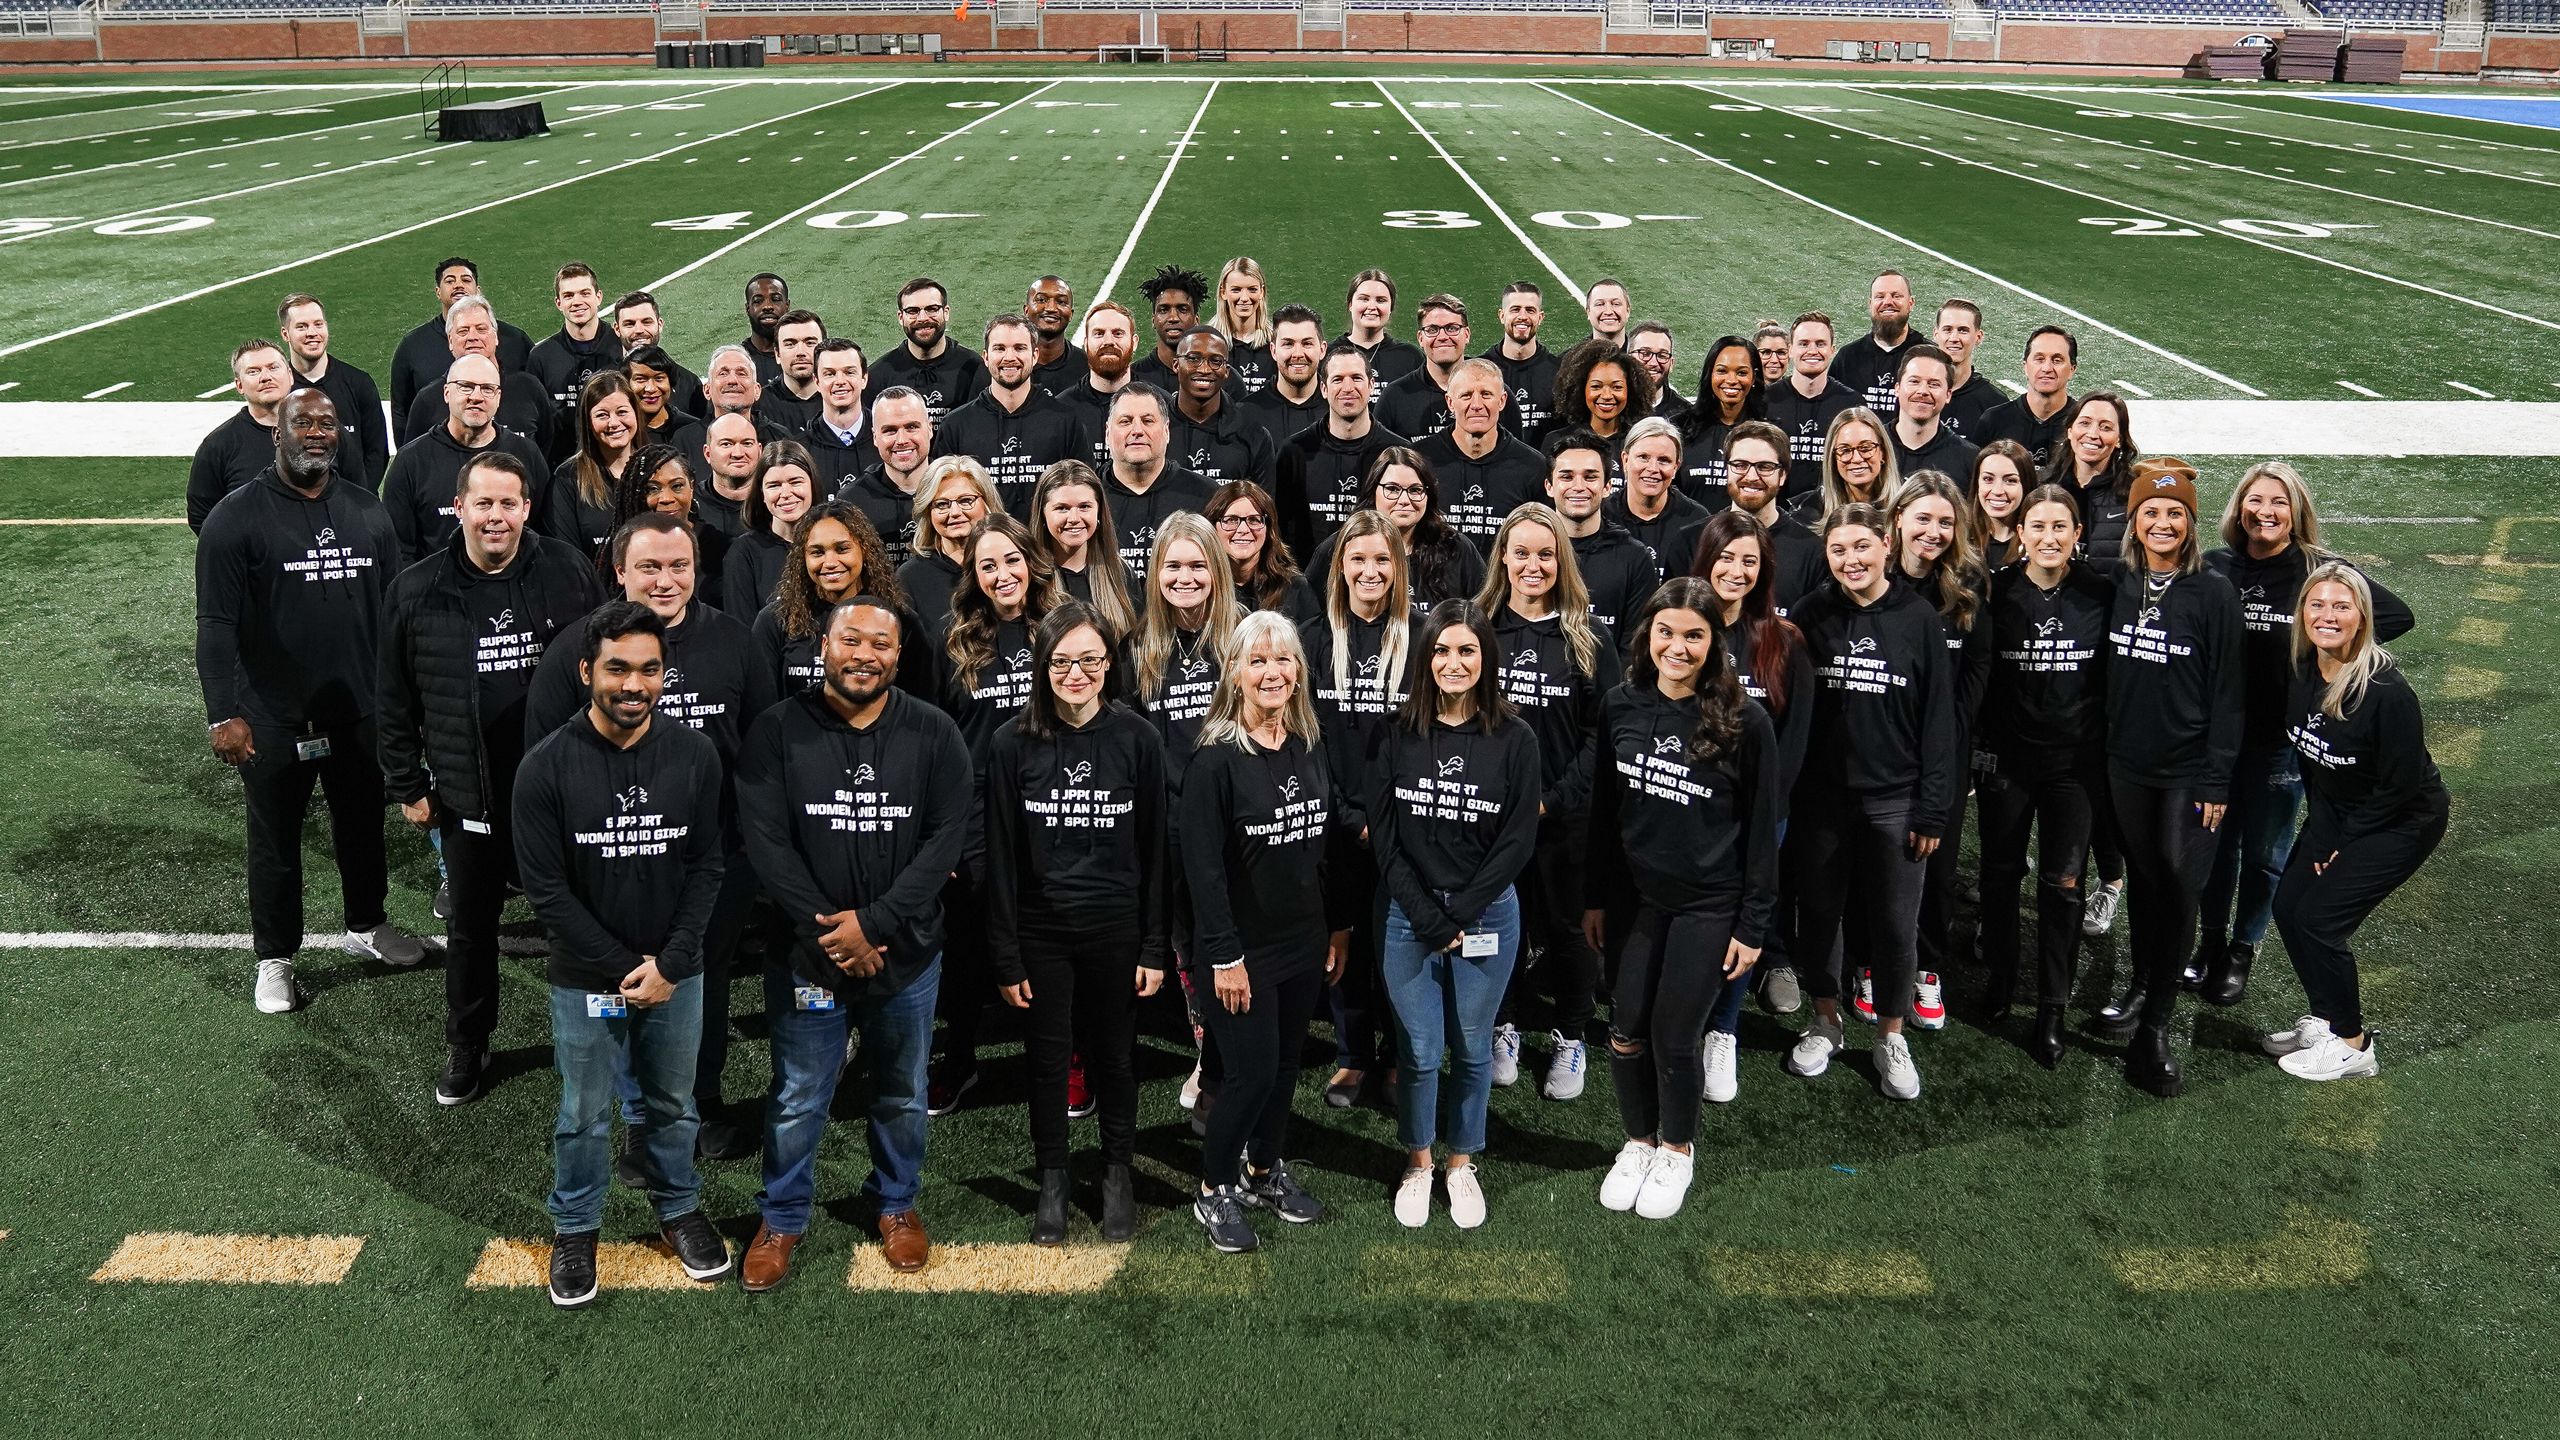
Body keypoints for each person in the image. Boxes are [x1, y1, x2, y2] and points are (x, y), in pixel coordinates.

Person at [736, 596, 970, 1288]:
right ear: (823, 649)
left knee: (901, 1090)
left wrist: (876, 924)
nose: (864, 654)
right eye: (851, 640)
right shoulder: (776, 730)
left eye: (880, 644)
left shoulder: (934, 733)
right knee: (799, 1092)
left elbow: (944, 842)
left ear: (898, 657)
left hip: (907, 953)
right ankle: (781, 1216)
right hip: (808, 955)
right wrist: (837, 934)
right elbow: (766, 844)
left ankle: (895, 1203)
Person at [525, 513, 774, 1163]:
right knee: (625, 986)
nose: (666, 580)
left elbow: (764, 751)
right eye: (650, 567)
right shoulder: (574, 652)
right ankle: (642, 1118)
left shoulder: (734, 641)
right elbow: (544, 762)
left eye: (679, 565)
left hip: (713, 862)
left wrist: (751, 845)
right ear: (619, 570)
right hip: (612, 863)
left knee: (702, 980)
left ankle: (703, 1098)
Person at [512, 601, 731, 1307]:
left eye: (648, 669)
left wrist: (671, 963)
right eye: (617, 669)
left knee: (673, 1103)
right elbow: (546, 892)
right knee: (584, 1111)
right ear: (586, 672)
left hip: (677, 973)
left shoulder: (695, 754)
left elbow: (707, 866)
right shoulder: (544, 768)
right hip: (587, 977)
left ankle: (677, 1208)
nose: (633, 684)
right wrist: (623, 967)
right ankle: (576, 1227)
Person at [378, 451, 604, 1105]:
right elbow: (393, 697)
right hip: (467, 794)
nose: (497, 515)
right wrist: (406, 785)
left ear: (527, 507)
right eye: (484, 503)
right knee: (471, 928)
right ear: (460, 508)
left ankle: (590, 1042)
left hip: (560, 794)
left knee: (577, 923)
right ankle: (468, 1043)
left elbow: (603, 670)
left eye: (509, 503)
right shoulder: (416, 589)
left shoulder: (566, 570)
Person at [196, 386, 419, 1015]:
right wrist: (223, 712)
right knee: (275, 842)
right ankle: (274, 958)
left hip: (358, 712)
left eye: (327, 422)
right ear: (278, 433)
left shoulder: (366, 510)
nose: (317, 432)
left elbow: (392, 612)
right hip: (269, 718)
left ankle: (367, 924)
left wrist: (401, 699)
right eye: (304, 423)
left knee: (361, 827)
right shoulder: (234, 518)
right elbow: (214, 625)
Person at [1587, 578, 1780, 1220]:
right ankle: (1638, 1141)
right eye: (1666, 631)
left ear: (1714, 642)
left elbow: (1761, 835)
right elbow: (1602, 814)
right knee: (1624, 1027)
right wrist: (1594, 897)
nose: (1678, 646)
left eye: (1694, 635)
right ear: (1648, 634)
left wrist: (1752, 925)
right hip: (1638, 899)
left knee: (1675, 1034)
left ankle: (1677, 1148)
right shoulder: (1620, 703)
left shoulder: (1746, 721)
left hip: (1710, 903)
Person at [985, 602, 1170, 1243]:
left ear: (1108, 665)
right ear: (1043, 667)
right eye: (1062, 662)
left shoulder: (1138, 739)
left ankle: (1117, 1172)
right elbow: (1002, 857)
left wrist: (1154, 944)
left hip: (1117, 928)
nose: (1076, 673)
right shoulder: (1011, 743)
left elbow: (1158, 852)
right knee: (1046, 1060)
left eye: (1090, 660)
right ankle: (1055, 1179)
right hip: (1041, 933)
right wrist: (1006, 954)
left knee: (1116, 1058)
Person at [2199, 461, 2415, 1006]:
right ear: (2239, 508)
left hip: (2281, 744)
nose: (2265, 512)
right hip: (2216, 741)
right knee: (2214, 850)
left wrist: (2338, 648)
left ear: (2297, 512)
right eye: (2255, 500)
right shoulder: (2214, 565)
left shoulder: (2317, 570)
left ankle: (2242, 951)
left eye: (2278, 502)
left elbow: (2395, 615)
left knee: (2266, 854)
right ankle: (2209, 946)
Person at [1180, 611, 1350, 1254]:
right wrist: (1224, 957)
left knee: (1282, 1072)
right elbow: (1203, 873)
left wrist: (1335, 930)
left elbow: (1322, 851)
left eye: (1283, 661)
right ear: (1235, 674)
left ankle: (1261, 1171)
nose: (1272, 672)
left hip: (1302, 944)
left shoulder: (1309, 742)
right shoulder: (1214, 762)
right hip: (1240, 954)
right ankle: (1215, 1188)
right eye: (1258, 661)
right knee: (1249, 1076)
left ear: (1299, 672)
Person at [1371, 600, 1540, 1230]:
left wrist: (1462, 913)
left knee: (1472, 1049)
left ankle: (1461, 1161)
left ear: (1486, 659)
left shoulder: (1516, 738)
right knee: (1417, 1050)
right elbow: (1384, 839)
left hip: (1487, 918)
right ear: (1425, 658)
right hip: (1406, 917)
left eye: (1467, 650)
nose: (1453, 662)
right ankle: (1418, 1162)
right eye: (1441, 650)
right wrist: (1429, 918)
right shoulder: (1396, 731)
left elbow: (1518, 841)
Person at [1783, 503, 1960, 1102]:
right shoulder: (1809, 615)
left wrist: (1933, 807)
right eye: (1838, 551)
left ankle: (1890, 1033)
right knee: (1821, 915)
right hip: (1822, 801)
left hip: (1897, 801)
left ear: (1887, 545)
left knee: (1894, 925)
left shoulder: (1919, 618)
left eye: (1861, 547)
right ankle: (1825, 1020)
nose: (1850, 560)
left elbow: (1940, 721)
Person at [2262, 563, 2448, 1082]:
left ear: (2363, 618)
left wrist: (2342, 842)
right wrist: (2324, 831)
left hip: (2402, 820)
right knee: (2288, 906)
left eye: (2342, 605)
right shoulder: (2300, 669)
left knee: (2321, 922)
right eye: (2316, 604)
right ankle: (2324, 1019)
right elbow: (2314, 765)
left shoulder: (2385, 692)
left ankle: (2352, 1043)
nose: (2327, 615)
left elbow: (2400, 786)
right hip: (2338, 811)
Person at [2097, 458, 2243, 1096]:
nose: (2163, 522)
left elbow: (2230, 693)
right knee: (2148, 878)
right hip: (2125, 763)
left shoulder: (2213, 592)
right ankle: (2139, 981)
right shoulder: (2119, 580)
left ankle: (2155, 1026)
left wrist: (2216, 779)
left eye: (2175, 513)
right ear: (2134, 519)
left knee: (2179, 884)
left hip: (2188, 771)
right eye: (2151, 512)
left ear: (2190, 523)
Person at [1478, 503, 1621, 1102]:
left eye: (1545, 554)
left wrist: (1553, 798)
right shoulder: (1478, 628)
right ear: (1503, 558)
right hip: (1491, 817)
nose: (1532, 565)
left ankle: (1570, 1035)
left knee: (1569, 929)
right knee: (1500, 923)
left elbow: (1603, 734)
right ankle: (1503, 1024)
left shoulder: (1588, 637)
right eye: (1522, 552)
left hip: (1567, 819)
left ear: (1562, 562)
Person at [927, 511, 1066, 1115]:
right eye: (988, 564)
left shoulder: (1063, 630)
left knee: (1054, 941)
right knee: (967, 948)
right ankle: (959, 1060)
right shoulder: (954, 640)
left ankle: (1068, 1059)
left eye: (1012, 559)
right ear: (973, 575)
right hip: (978, 814)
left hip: (1054, 805)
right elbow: (939, 740)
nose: (1002, 573)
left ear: (1031, 563)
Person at [1976, 484, 2113, 1067]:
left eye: (2061, 527)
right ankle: (2001, 981)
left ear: (2077, 534)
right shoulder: (1996, 592)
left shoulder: (2102, 594)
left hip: (2074, 769)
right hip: (2009, 764)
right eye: (2038, 526)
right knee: (2001, 875)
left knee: (2063, 886)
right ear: (2022, 533)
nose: (2049, 537)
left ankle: (2052, 1007)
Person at [1300, 509, 1417, 1108]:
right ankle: (1352, 1056)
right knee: (1340, 943)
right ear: (1339, 567)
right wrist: (1347, 814)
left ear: (1398, 567)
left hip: (1406, 828)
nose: (1370, 571)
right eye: (1358, 559)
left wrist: (1391, 819)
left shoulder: (1422, 638)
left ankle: (1400, 1055)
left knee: (1398, 945)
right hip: (1334, 822)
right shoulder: (1314, 639)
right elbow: (1302, 739)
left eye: (1381, 560)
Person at [1691, 507, 1815, 1066]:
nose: (1736, 570)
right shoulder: (1679, 628)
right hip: (1686, 806)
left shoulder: (1783, 641)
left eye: (1750, 560)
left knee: (1743, 924)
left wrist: (1760, 811)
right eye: (1725, 557)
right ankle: (1678, 1016)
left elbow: (1792, 743)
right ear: (1705, 560)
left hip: (1758, 816)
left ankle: (1723, 1029)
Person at [1888, 471, 1992, 1031]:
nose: (1933, 530)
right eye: (1923, 518)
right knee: (1878, 861)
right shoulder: (1873, 578)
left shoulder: (1967, 587)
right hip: (1882, 747)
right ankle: (1873, 963)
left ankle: (1926, 968)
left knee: (1938, 862)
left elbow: (1977, 670)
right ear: (1898, 519)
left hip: (1942, 752)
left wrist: (1945, 735)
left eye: (1945, 522)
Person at [750, 501, 936, 702]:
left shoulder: (900, 620)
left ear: (865, 550)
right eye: (817, 552)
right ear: (802, 558)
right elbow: (761, 704)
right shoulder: (775, 620)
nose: (829, 563)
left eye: (842, 549)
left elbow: (920, 701)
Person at [379, 354, 553, 564]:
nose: (476, 396)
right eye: (465, 386)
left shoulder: (527, 453)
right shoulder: (410, 462)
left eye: (487, 389)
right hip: (439, 591)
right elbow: (398, 552)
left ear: (498, 398)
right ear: (446, 393)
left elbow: (546, 536)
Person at [938, 314, 1088, 516]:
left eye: (1019, 348)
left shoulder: (1066, 421)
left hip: (1045, 546)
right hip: (981, 545)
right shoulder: (955, 426)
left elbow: (1084, 493)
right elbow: (942, 500)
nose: (1009, 357)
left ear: (1035, 355)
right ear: (986, 356)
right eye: (1000, 348)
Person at [1309, 450, 1485, 614]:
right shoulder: (1339, 548)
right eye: (1392, 489)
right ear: (1373, 492)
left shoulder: (1456, 548)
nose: (1404, 500)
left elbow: (1484, 612)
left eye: (1415, 490)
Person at [1273, 343, 1403, 558]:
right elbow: (1279, 529)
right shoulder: (1293, 452)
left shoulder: (1398, 453)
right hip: (1309, 583)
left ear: (1372, 385)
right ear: (1324, 389)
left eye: (1357, 378)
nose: (1348, 388)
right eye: (1338, 379)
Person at [1417, 357, 1545, 557]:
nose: (1476, 405)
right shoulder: (1418, 461)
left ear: (1502, 401)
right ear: (1450, 402)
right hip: (1434, 584)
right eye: (1466, 395)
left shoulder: (1533, 467)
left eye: (1486, 394)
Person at [398, 295, 556, 455]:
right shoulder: (428, 400)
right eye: (463, 331)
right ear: (450, 341)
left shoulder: (529, 388)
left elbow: (547, 449)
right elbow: (413, 461)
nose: (473, 337)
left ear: (495, 337)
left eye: (481, 329)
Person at [389, 255, 534, 422]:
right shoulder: (412, 345)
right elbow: (400, 409)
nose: (458, 285)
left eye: (466, 280)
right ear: (438, 292)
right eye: (450, 281)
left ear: (478, 290)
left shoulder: (515, 339)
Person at [1100, 384, 1216, 588]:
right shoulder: (1086, 499)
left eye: (1147, 421)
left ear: (1166, 431)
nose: (1137, 431)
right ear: (1108, 433)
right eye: (1125, 421)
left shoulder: (1208, 496)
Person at [1543, 429, 1654, 640]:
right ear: (1549, 486)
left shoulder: (1634, 558)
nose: (1578, 487)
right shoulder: (1530, 553)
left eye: (1590, 477)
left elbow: (1634, 649)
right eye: (1566, 477)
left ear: (1607, 487)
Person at [279, 293, 389, 490]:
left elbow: (377, 452)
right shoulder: (280, 391)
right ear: (285, 334)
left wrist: (361, 498)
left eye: (318, 324)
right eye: (302, 326)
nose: (312, 332)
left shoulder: (358, 383)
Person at [1713, 422, 1826, 614]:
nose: (1751, 476)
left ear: (1782, 475)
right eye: (1740, 465)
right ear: (1726, 470)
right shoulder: (1692, 540)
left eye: (1764, 467)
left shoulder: (1812, 552)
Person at [596, 444, 728, 607]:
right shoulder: (621, 547)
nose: (666, 498)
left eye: (677, 486)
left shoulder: (722, 549)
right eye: (653, 489)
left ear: (692, 487)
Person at [187, 340, 296, 532]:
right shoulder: (218, 445)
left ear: (290, 375)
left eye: (273, 368)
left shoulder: (323, 433)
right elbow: (201, 517)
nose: (265, 377)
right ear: (239, 385)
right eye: (253, 371)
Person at [1030, 459, 1140, 638]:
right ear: (1042, 513)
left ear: (1099, 511)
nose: (1074, 518)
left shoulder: (1121, 573)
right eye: (1062, 508)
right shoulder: (1030, 578)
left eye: (1084, 507)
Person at [894, 456, 1002, 635]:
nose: (954, 513)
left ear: (987, 502)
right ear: (928, 512)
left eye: (966, 501)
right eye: (942, 504)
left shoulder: (1012, 564)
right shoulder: (910, 578)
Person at [528, 262, 624, 458]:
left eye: (585, 293)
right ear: (558, 303)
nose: (577, 301)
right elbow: (536, 420)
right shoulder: (541, 357)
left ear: (599, 297)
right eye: (568, 296)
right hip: (561, 464)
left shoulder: (621, 346)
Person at [543, 371, 640, 560]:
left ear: (636, 413)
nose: (614, 423)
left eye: (622, 412)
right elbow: (568, 557)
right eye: (602, 415)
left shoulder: (658, 468)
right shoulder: (567, 478)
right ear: (588, 422)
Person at [1166, 327, 1277, 488]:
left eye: (1215, 361)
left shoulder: (1254, 435)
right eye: (1193, 358)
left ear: (1226, 371)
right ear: (1176, 365)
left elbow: (1264, 506)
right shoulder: (1155, 430)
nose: (1204, 369)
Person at [1765, 311, 1858, 504]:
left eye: (1820, 344)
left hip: (1831, 515)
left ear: (1832, 349)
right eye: (1804, 343)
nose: (1812, 350)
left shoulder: (1851, 404)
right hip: (1774, 515)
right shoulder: (1765, 401)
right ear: (1790, 350)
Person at [1607, 416, 1710, 585]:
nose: (1653, 469)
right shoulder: (1602, 515)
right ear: (1625, 460)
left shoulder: (1697, 520)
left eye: (1664, 460)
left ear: (1676, 467)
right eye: (1643, 457)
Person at [840, 387, 935, 568]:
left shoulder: (955, 489)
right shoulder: (852, 501)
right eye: (890, 431)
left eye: (911, 427)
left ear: (929, 429)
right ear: (875, 437)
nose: (901, 440)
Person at [866, 276, 986, 419]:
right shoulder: (878, 376)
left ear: (946, 312)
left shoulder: (975, 368)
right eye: (912, 311)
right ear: (900, 317)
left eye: (932, 309)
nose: (922, 318)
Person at [674, 344, 790, 492]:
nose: (733, 381)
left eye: (742, 373)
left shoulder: (780, 438)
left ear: (757, 391)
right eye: (723, 373)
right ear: (707, 390)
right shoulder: (684, 440)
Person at [723, 440, 817, 618]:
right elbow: (741, 628)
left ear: (812, 484)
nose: (786, 493)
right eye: (774, 485)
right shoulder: (744, 552)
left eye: (795, 482)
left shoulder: (832, 543)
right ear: (761, 493)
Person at [1210, 479, 1319, 627]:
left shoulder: (1295, 590)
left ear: (1268, 529)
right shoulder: (1203, 587)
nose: (1243, 529)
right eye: (1231, 520)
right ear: (1213, 527)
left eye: (1254, 520)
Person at [1672, 334, 1765, 503]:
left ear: (1754, 376)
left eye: (1742, 372)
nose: (1731, 380)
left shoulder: (1768, 432)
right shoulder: (1679, 427)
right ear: (1710, 374)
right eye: (1722, 371)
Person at [1977, 325, 2078, 471]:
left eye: (2057, 360)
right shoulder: (1994, 420)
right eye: (2039, 359)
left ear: (2072, 369)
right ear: (2025, 366)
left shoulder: (2082, 425)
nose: (2047, 368)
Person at [1379, 293, 1470, 441]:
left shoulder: (1491, 390)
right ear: (1420, 338)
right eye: (1432, 330)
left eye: (1452, 328)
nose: (1442, 337)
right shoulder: (1394, 397)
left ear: (1466, 334)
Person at [1057, 300, 1139, 460]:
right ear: (1086, 343)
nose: (1108, 341)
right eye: (1099, 333)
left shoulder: (1159, 405)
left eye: (1118, 333)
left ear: (1134, 342)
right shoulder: (1061, 410)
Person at [1830, 269, 1916, 421]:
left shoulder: (1926, 356)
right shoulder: (1848, 358)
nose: (1888, 302)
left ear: (1911, 303)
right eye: (1880, 296)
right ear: (1870, 304)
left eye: (1896, 296)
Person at [1550, 337, 1653, 462]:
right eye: (1596, 386)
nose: (1606, 395)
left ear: (1630, 390)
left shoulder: (1642, 442)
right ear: (1581, 389)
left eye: (1617, 387)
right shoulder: (1557, 440)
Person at [1240, 303, 1328, 446]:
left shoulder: (1339, 408)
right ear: (1273, 351)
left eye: (1307, 344)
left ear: (1322, 349)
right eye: (1288, 344)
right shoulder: (1246, 414)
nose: (1298, 354)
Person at [1889, 345, 1979, 483]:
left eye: (1934, 384)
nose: (1923, 391)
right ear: (1897, 389)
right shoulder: (1872, 446)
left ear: (1948, 395)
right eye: (1914, 381)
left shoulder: (1969, 459)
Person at [611, 290, 707, 419]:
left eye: (646, 322)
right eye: (630, 324)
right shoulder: (605, 381)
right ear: (617, 329)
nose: (639, 330)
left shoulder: (688, 382)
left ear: (659, 324)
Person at [1482, 280, 1558, 440]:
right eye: (1515, 309)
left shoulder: (1558, 370)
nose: (1522, 316)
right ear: (1502, 316)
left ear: (1540, 317)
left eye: (1530, 310)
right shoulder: (1482, 370)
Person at [1798, 406, 1899, 523]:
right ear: (1833, 458)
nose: (1856, 459)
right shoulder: (1808, 514)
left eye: (1865, 448)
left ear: (1883, 453)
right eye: (1845, 450)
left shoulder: (1905, 509)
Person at [799, 339, 876, 492]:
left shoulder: (887, 440)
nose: (840, 381)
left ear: (864, 379)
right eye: (830, 374)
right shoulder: (801, 450)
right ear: (817, 382)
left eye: (849, 372)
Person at [1934, 299, 2007, 442]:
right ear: (1936, 334)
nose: (1954, 338)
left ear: (1978, 337)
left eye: (1963, 330)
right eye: (1947, 329)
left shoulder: (1995, 403)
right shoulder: (1919, 394)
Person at [1338, 268, 1424, 387]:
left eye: (1381, 300)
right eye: (1364, 299)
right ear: (1350, 305)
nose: (1372, 306)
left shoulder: (1410, 357)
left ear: (1391, 308)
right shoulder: (1328, 355)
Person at [1134, 263, 1211, 392]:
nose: (1173, 318)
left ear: (1196, 320)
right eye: (1164, 310)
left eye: (1183, 309)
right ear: (1153, 320)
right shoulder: (1134, 377)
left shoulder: (1215, 375)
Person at [755, 309, 827, 437]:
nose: (800, 352)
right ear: (777, 354)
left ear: (824, 351)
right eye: (790, 344)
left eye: (810, 343)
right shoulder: (758, 406)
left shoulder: (841, 398)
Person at [1211, 257, 1274, 395]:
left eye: (1252, 289)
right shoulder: (1208, 342)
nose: (1244, 298)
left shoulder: (1276, 342)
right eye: (1236, 290)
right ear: (1223, 292)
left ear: (1261, 292)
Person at [1970, 440, 2033, 574]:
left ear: (2026, 485)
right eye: (1988, 479)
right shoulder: (1958, 538)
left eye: (2010, 481)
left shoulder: (2038, 542)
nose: (1997, 491)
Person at [623, 344, 698, 450]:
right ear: (625, 384)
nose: (650, 388)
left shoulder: (693, 429)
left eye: (659, 378)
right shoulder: (619, 431)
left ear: (671, 383)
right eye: (640, 379)